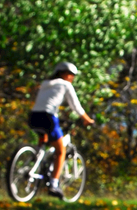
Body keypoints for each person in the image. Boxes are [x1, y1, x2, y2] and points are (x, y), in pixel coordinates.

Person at [29, 62, 95, 198]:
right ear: (63, 73)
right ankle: (54, 184)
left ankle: (36, 157)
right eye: (71, 75)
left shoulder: (45, 83)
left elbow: (44, 101)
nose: (72, 78)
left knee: (44, 139)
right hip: (48, 117)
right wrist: (87, 119)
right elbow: (75, 105)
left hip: (34, 116)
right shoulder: (65, 85)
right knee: (60, 152)